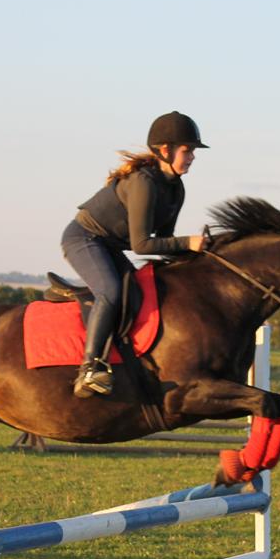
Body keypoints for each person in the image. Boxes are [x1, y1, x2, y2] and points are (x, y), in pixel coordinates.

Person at [60, 111, 210, 398]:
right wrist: (188, 243)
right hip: (84, 238)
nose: (192, 157)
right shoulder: (144, 183)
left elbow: (164, 241)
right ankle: (90, 368)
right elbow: (143, 245)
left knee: (137, 291)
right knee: (111, 291)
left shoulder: (175, 188)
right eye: (187, 150)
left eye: (192, 151)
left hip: (110, 245)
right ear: (165, 150)